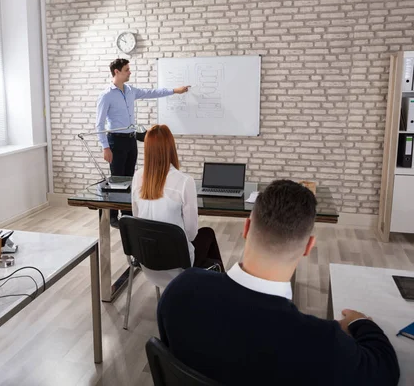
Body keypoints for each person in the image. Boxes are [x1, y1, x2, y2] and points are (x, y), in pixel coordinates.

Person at [157, 180, 400, 386]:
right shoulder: (323, 343)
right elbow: (385, 371)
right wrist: (359, 322)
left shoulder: (180, 289)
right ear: (308, 247)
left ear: (247, 227)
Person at [96, 58, 190, 228]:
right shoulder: (106, 95)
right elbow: (99, 124)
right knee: (117, 178)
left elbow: (152, 93)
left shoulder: (131, 90)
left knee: (130, 177)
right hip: (115, 140)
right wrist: (105, 147)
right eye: (126, 69)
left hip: (131, 138)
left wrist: (175, 91)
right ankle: (112, 216)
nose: (129, 72)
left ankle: (127, 214)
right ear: (116, 72)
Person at [131, 125, 224, 290]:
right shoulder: (184, 181)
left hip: (146, 262)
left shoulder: (137, 177)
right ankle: (215, 289)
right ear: (171, 148)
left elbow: (136, 219)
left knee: (205, 239)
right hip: (176, 266)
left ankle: (205, 287)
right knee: (207, 234)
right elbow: (191, 233)